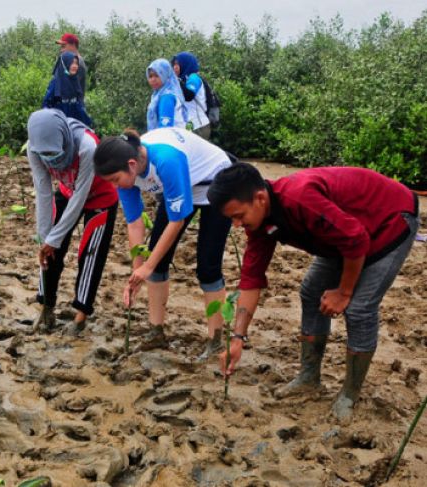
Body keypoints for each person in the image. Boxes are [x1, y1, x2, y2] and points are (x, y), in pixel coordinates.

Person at [206, 163, 419, 422]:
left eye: (239, 216)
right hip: (342, 234)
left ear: (259, 198)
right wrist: (237, 338)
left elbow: (356, 240)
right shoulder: (261, 224)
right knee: (311, 291)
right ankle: (309, 377)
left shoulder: (300, 198)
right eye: (232, 220)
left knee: (359, 308)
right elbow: (251, 280)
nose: (237, 225)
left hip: (390, 219)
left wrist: (343, 291)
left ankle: (350, 394)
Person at [93, 127, 232, 355]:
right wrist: (137, 271)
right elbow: (135, 223)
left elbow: (176, 222)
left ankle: (215, 340)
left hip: (213, 184)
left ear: (131, 165)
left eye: (115, 180)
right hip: (178, 187)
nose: (115, 186)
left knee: (208, 266)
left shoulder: (166, 160)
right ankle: (156, 332)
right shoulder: (126, 175)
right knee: (155, 261)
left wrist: (146, 267)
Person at [27, 108, 118, 334]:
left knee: (90, 254)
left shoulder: (86, 146)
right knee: (49, 251)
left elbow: (81, 195)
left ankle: (80, 318)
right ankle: (46, 308)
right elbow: (43, 191)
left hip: (99, 196)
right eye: (45, 154)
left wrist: (54, 238)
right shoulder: (34, 148)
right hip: (67, 192)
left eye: (55, 152)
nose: (52, 159)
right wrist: (44, 236)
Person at [42, 51, 92, 126]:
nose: (75, 66)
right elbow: (46, 104)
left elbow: (79, 103)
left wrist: (86, 121)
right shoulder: (56, 82)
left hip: (74, 121)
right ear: (65, 63)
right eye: (72, 63)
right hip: (59, 122)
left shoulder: (75, 80)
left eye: (76, 63)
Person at [172, 52, 210, 139]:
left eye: (177, 64)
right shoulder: (182, 80)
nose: (175, 67)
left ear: (185, 64)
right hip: (189, 126)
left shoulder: (193, 78)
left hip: (198, 126)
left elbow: (188, 95)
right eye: (174, 65)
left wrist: (175, 80)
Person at [146, 59, 187, 131]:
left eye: (156, 75)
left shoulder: (167, 97)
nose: (153, 79)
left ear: (165, 75)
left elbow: (165, 128)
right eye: (150, 76)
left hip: (172, 139)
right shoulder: (159, 95)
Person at [55, 33, 87, 98]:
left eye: (63, 46)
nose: (61, 50)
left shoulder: (78, 63)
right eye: (61, 47)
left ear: (73, 45)